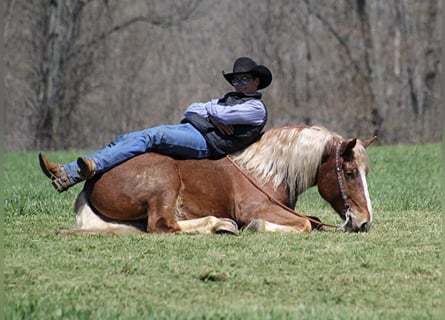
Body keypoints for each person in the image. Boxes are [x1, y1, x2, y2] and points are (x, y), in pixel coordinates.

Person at [39, 57, 272, 192]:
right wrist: (214, 115)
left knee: (153, 136)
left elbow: (217, 112)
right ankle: (67, 171)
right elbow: (191, 109)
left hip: (207, 144)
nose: (239, 84)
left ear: (256, 81)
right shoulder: (230, 100)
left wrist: (211, 112)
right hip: (194, 130)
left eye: (244, 79)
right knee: (126, 138)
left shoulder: (255, 108)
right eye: (236, 80)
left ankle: (89, 166)